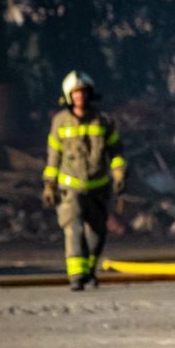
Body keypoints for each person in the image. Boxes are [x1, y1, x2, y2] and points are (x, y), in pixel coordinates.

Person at [42, 71, 125, 290]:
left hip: (98, 187)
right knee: (74, 228)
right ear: (69, 96)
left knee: (97, 231)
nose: (80, 97)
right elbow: (53, 157)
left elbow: (116, 152)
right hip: (70, 188)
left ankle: (88, 270)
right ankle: (76, 275)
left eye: (83, 92)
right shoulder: (59, 122)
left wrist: (119, 174)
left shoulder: (104, 121)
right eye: (76, 93)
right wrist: (49, 184)